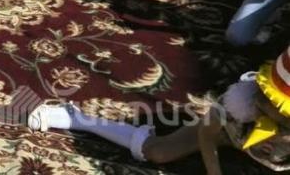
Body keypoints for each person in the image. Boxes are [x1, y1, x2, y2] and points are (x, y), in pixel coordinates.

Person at [28, 44, 290, 173]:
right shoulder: (236, 103)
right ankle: (78, 118)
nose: (267, 107)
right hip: (228, 134)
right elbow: (207, 134)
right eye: (266, 101)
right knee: (159, 152)